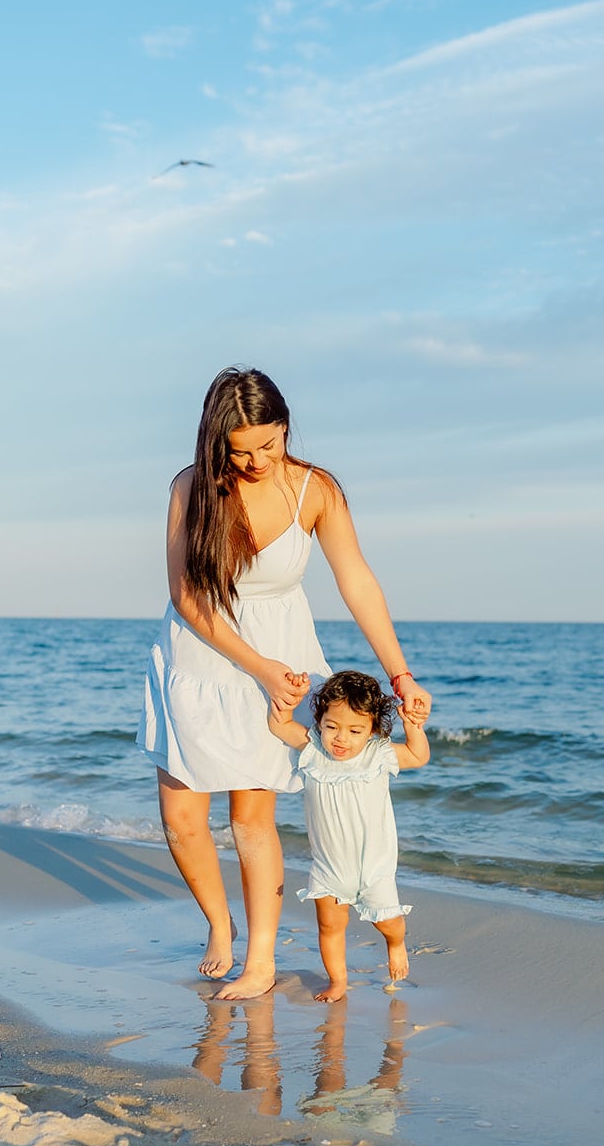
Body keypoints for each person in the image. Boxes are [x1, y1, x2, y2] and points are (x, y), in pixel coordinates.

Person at [137, 367, 432, 1000]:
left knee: (251, 816)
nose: (255, 462)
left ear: (286, 429)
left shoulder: (315, 489)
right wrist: (257, 665)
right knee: (181, 819)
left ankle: (261, 960)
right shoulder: (191, 486)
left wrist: (399, 672)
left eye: (267, 446)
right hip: (204, 651)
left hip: (281, 658)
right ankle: (219, 924)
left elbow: (357, 581)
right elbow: (186, 595)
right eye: (239, 451)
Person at [268, 670, 429, 1002]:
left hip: (374, 866)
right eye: (332, 727)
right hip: (329, 866)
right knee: (329, 926)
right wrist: (288, 701)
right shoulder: (313, 748)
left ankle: (396, 943)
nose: (341, 739)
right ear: (319, 720)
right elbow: (279, 725)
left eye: (355, 731)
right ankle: (337, 981)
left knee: (388, 922)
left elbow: (418, 756)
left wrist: (413, 726)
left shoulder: (378, 754)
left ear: (372, 730)